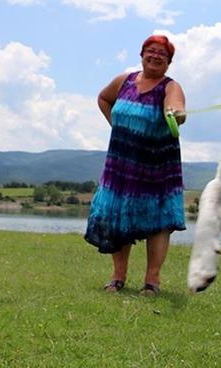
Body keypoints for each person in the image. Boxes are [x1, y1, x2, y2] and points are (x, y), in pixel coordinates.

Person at [84, 34, 186, 296]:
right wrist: (118, 126)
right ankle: (118, 277)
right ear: (142, 55)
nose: (155, 56)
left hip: (156, 165)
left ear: (169, 62)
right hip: (121, 162)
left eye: (162, 54)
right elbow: (103, 99)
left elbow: (176, 107)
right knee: (117, 213)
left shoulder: (171, 87)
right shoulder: (124, 81)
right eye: (151, 50)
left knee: (158, 221)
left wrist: (176, 113)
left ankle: (152, 281)